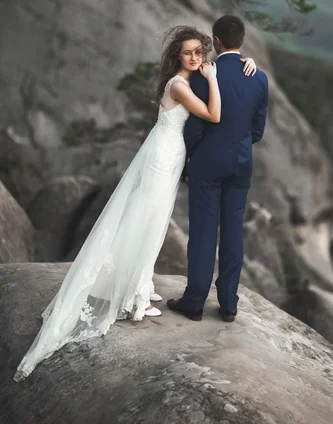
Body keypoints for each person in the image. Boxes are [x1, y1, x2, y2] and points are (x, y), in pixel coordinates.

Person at [13, 24, 256, 382]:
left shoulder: (184, 79)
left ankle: (137, 286)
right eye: (188, 52)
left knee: (154, 220)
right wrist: (215, 78)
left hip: (169, 155)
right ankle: (133, 297)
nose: (195, 58)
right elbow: (215, 115)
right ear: (178, 55)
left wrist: (241, 61)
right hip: (163, 157)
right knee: (147, 219)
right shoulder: (179, 84)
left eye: (199, 52)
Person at [167, 15, 269, 323]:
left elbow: (194, 129)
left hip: (208, 164)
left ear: (218, 42)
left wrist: (193, 157)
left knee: (202, 232)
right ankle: (228, 304)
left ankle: (195, 301)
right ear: (241, 41)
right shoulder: (258, 77)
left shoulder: (202, 76)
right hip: (240, 163)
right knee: (233, 232)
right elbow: (258, 130)